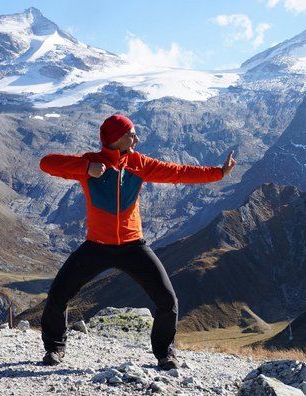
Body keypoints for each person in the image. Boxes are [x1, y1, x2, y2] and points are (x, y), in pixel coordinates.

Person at [39, 114, 236, 369]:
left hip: (133, 246)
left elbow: (177, 172)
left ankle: (165, 354)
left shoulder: (139, 163)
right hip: (97, 246)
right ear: (116, 138)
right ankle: (55, 349)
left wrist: (218, 173)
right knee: (57, 295)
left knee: (167, 301)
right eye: (132, 134)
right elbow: (46, 163)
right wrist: (85, 169)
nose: (137, 139)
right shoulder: (91, 163)